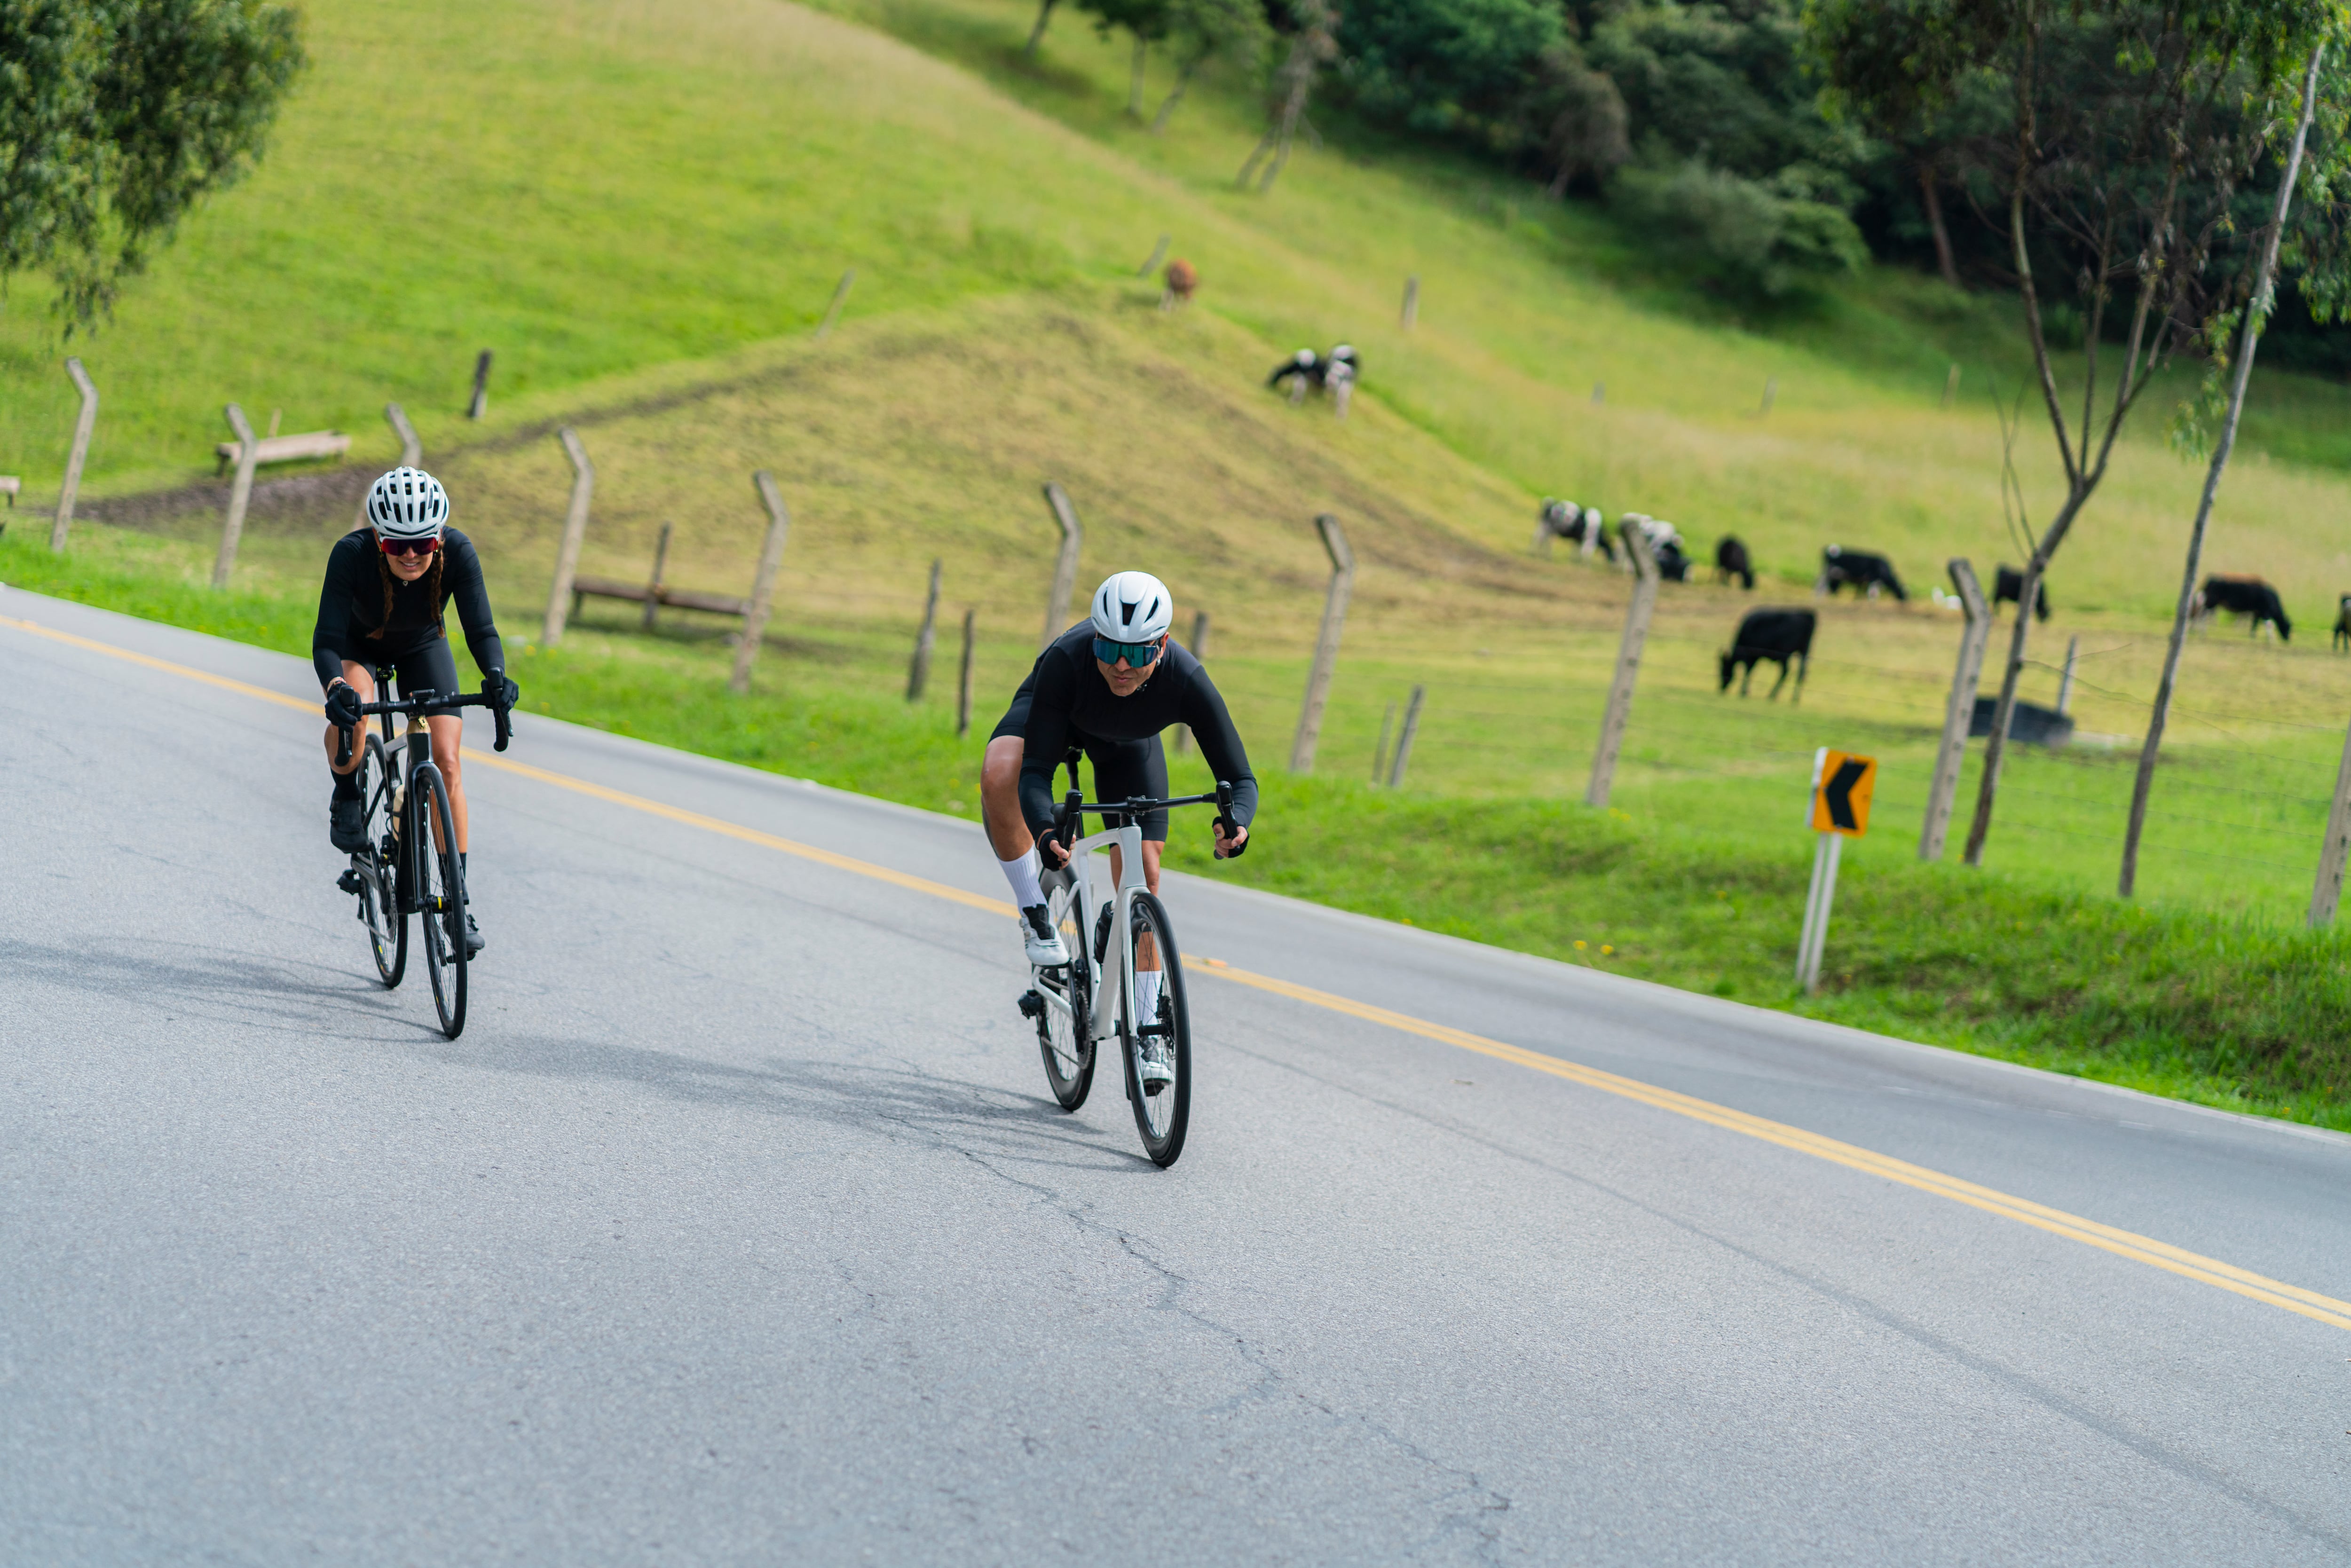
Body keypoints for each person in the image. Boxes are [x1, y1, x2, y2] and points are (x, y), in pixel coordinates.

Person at [981, 572, 1256, 1078]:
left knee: (1144, 873)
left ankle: (1149, 1023)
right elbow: (1036, 772)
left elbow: (1238, 777)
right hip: (1054, 719)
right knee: (1001, 770)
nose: (1122, 666)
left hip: (1126, 745)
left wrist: (1235, 823)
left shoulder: (1186, 676)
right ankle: (1034, 910)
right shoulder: (1069, 659)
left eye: (1138, 651)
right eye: (1108, 649)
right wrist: (1044, 830)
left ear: (1164, 643)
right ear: (1095, 637)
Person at [314, 467, 518, 957]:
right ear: (379, 539)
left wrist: (495, 677)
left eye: (423, 544)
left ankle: (456, 904)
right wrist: (338, 686)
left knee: (447, 761)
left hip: (423, 647)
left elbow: (481, 630)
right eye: (395, 545)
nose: (410, 554)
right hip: (358, 649)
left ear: (440, 537)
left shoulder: (459, 554)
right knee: (356, 712)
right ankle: (346, 794)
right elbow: (326, 639)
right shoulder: (350, 554)